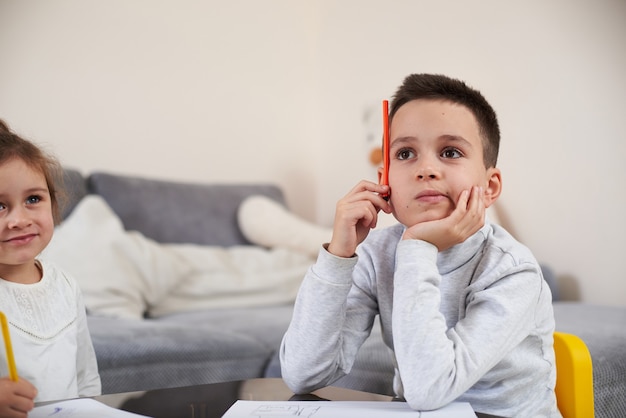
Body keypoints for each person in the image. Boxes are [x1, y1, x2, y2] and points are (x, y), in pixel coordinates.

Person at [279, 74, 560, 417]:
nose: (426, 169)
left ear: (490, 186)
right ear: (384, 180)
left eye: (450, 152)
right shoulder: (376, 256)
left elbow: (430, 389)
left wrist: (416, 246)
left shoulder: (513, 271)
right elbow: (303, 374)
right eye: (406, 153)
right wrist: (338, 257)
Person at [0, 120, 101, 417]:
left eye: (33, 199)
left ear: (53, 205)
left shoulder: (66, 286)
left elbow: (86, 376)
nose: (18, 220)